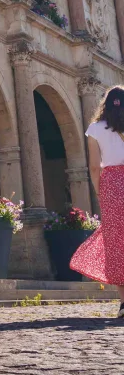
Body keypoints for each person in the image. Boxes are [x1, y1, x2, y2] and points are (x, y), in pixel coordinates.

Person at [70, 86, 124, 317]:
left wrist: (100, 192)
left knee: (116, 243)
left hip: (111, 183)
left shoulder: (95, 129)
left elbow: (94, 166)